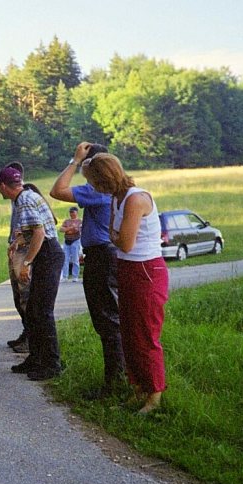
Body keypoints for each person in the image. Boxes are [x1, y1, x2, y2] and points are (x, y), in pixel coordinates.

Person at [82, 152, 168, 414]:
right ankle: (138, 388)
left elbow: (125, 243)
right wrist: (115, 235)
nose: (91, 187)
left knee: (145, 336)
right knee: (129, 335)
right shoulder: (116, 199)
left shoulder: (135, 199)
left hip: (146, 271)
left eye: (93, 181)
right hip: (127, 268)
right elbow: (113, 236)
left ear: (104, 179)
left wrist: (115, 235)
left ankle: (154, 396)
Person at [50, 142, 126, 398]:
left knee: (107, 319)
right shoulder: (109, 189)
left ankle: (115, 384)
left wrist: (74, 161)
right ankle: (116, 380)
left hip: (102, 256)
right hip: (105, 255)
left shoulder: (97, 191)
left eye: (87, 164)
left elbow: (57, 190)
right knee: (108, 318)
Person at [0, 167, 65, 381]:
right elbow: (34, 229)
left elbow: (39, 232)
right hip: (45, 254)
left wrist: (27, 262)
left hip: (48, 255)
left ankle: (52, 364)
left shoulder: (24, 200)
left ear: (2, 186)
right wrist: (18, 241)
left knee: (42, 312)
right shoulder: (25, 197)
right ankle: (36, 358)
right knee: (34, 310)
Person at [1, 161, 30, 353]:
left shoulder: (27, 196)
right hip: (15, 248)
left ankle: (31, 339)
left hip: (24, 250)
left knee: (26, 296)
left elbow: (42, 225)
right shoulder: (14, 200)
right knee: (18, 297)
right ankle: (26, 332)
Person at [61, 206, 82, 282]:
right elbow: (61, 229)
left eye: (73, 212)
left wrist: (68, 229)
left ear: (76, 212)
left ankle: (75, 276)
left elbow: (77, 230)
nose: (71, 213)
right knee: (65, 259)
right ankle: (65, 276)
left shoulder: (80, 221)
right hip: (67, 240)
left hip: (75, 240)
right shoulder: (66, 221)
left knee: (75, 259)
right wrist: (70, 228)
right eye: (70, 212)